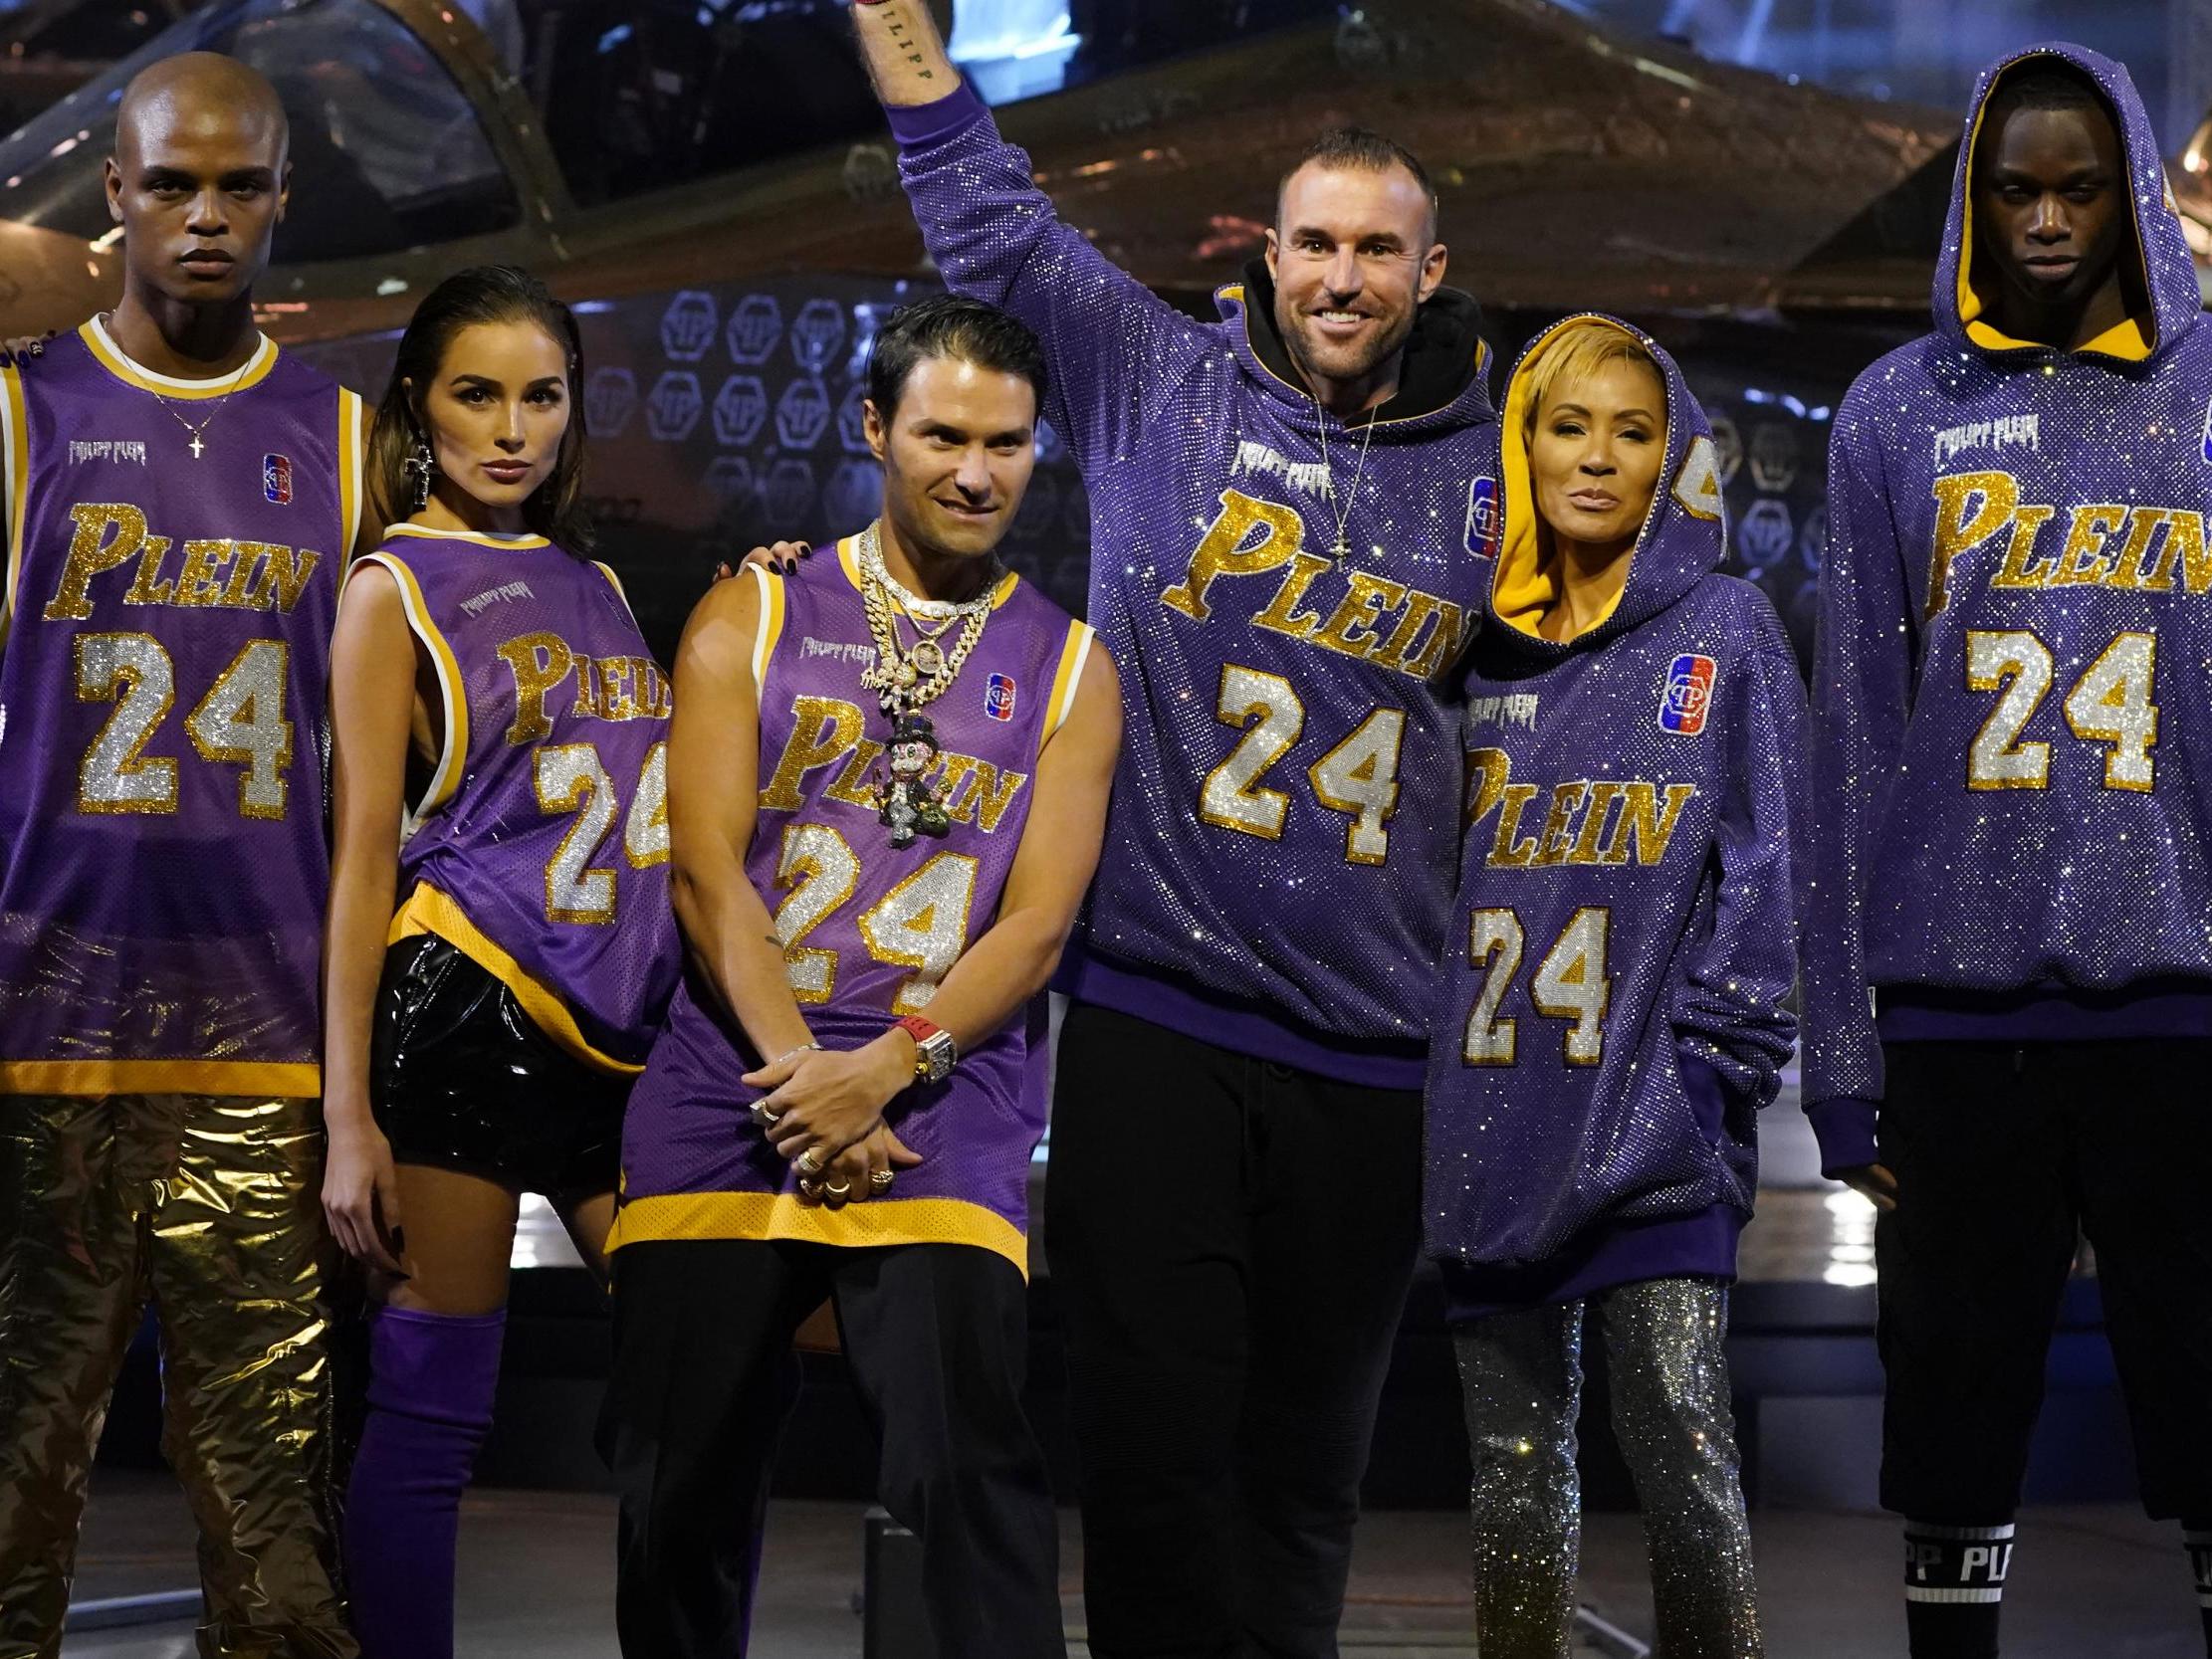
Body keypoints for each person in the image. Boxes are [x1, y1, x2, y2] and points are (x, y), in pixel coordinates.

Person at [836, 6, 1498, 1649]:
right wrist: (890, 23)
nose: (1342, 279)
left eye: (1376, 251)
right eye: (1316, 245)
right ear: (1266, 257)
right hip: (1155, 1017)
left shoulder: (1500, 465)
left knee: (1304, 1475)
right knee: (1149, 1460)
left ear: (1428, 270)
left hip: (1372, 1046)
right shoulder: (1156, 384)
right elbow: (983, 211)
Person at [597, 294, 1121, 1656]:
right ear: (874, 427)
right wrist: (802, 1087)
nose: (972, 471)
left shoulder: (1070, 668)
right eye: (942, 434)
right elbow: (706, 873)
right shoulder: (751, 610)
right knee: (672, 1485)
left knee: (963, 1478)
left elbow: (1037, 927)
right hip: (735, 1083)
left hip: (938, 1099)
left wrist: (881, 1072)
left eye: (1005, 444)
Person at [1804, 44, 2212, 1659]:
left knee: (2208, 1413)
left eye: (2076, 187)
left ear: (2131, 197)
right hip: (1957, 1019)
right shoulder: (1893, 413)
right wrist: (1843, 1061)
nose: (2044, 221)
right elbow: (1852, 744)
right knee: (1953, 1430)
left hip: (2184, 1005)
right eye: (2013, 190)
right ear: (1972, 198)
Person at [0, 52, 364, 1659]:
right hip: (37, 1035)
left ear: (283, 199)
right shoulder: (22, 411)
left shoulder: (355, 440)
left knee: (271, 1509)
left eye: (238, 186)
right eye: (171, 185)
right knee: (10, 1486)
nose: (205, 217)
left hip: (265, 1041)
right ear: (117, 199)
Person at [318, 264, 678, 1659]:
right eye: (478, 394)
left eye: (542, 395)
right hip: (463, 1016)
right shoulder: (391, 586)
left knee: (696, 1375)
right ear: (421, 403)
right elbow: (360, 865)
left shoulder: (591, 578)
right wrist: (347, 1118)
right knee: (431, 1419)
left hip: (621, 1032)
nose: (512, 427)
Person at [1429, 314, 1802, 1658]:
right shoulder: (1456, 646)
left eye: (1630, 432)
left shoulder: (1723, 628)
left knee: (1685, 1462)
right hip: (1489, 1124)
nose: (1595, 457)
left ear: (1673, 460)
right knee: (1515, 1478)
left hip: (1658, 1131)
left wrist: (1711, 1066)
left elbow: (1772, 866)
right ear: (1515, 447)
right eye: (1564, 425)